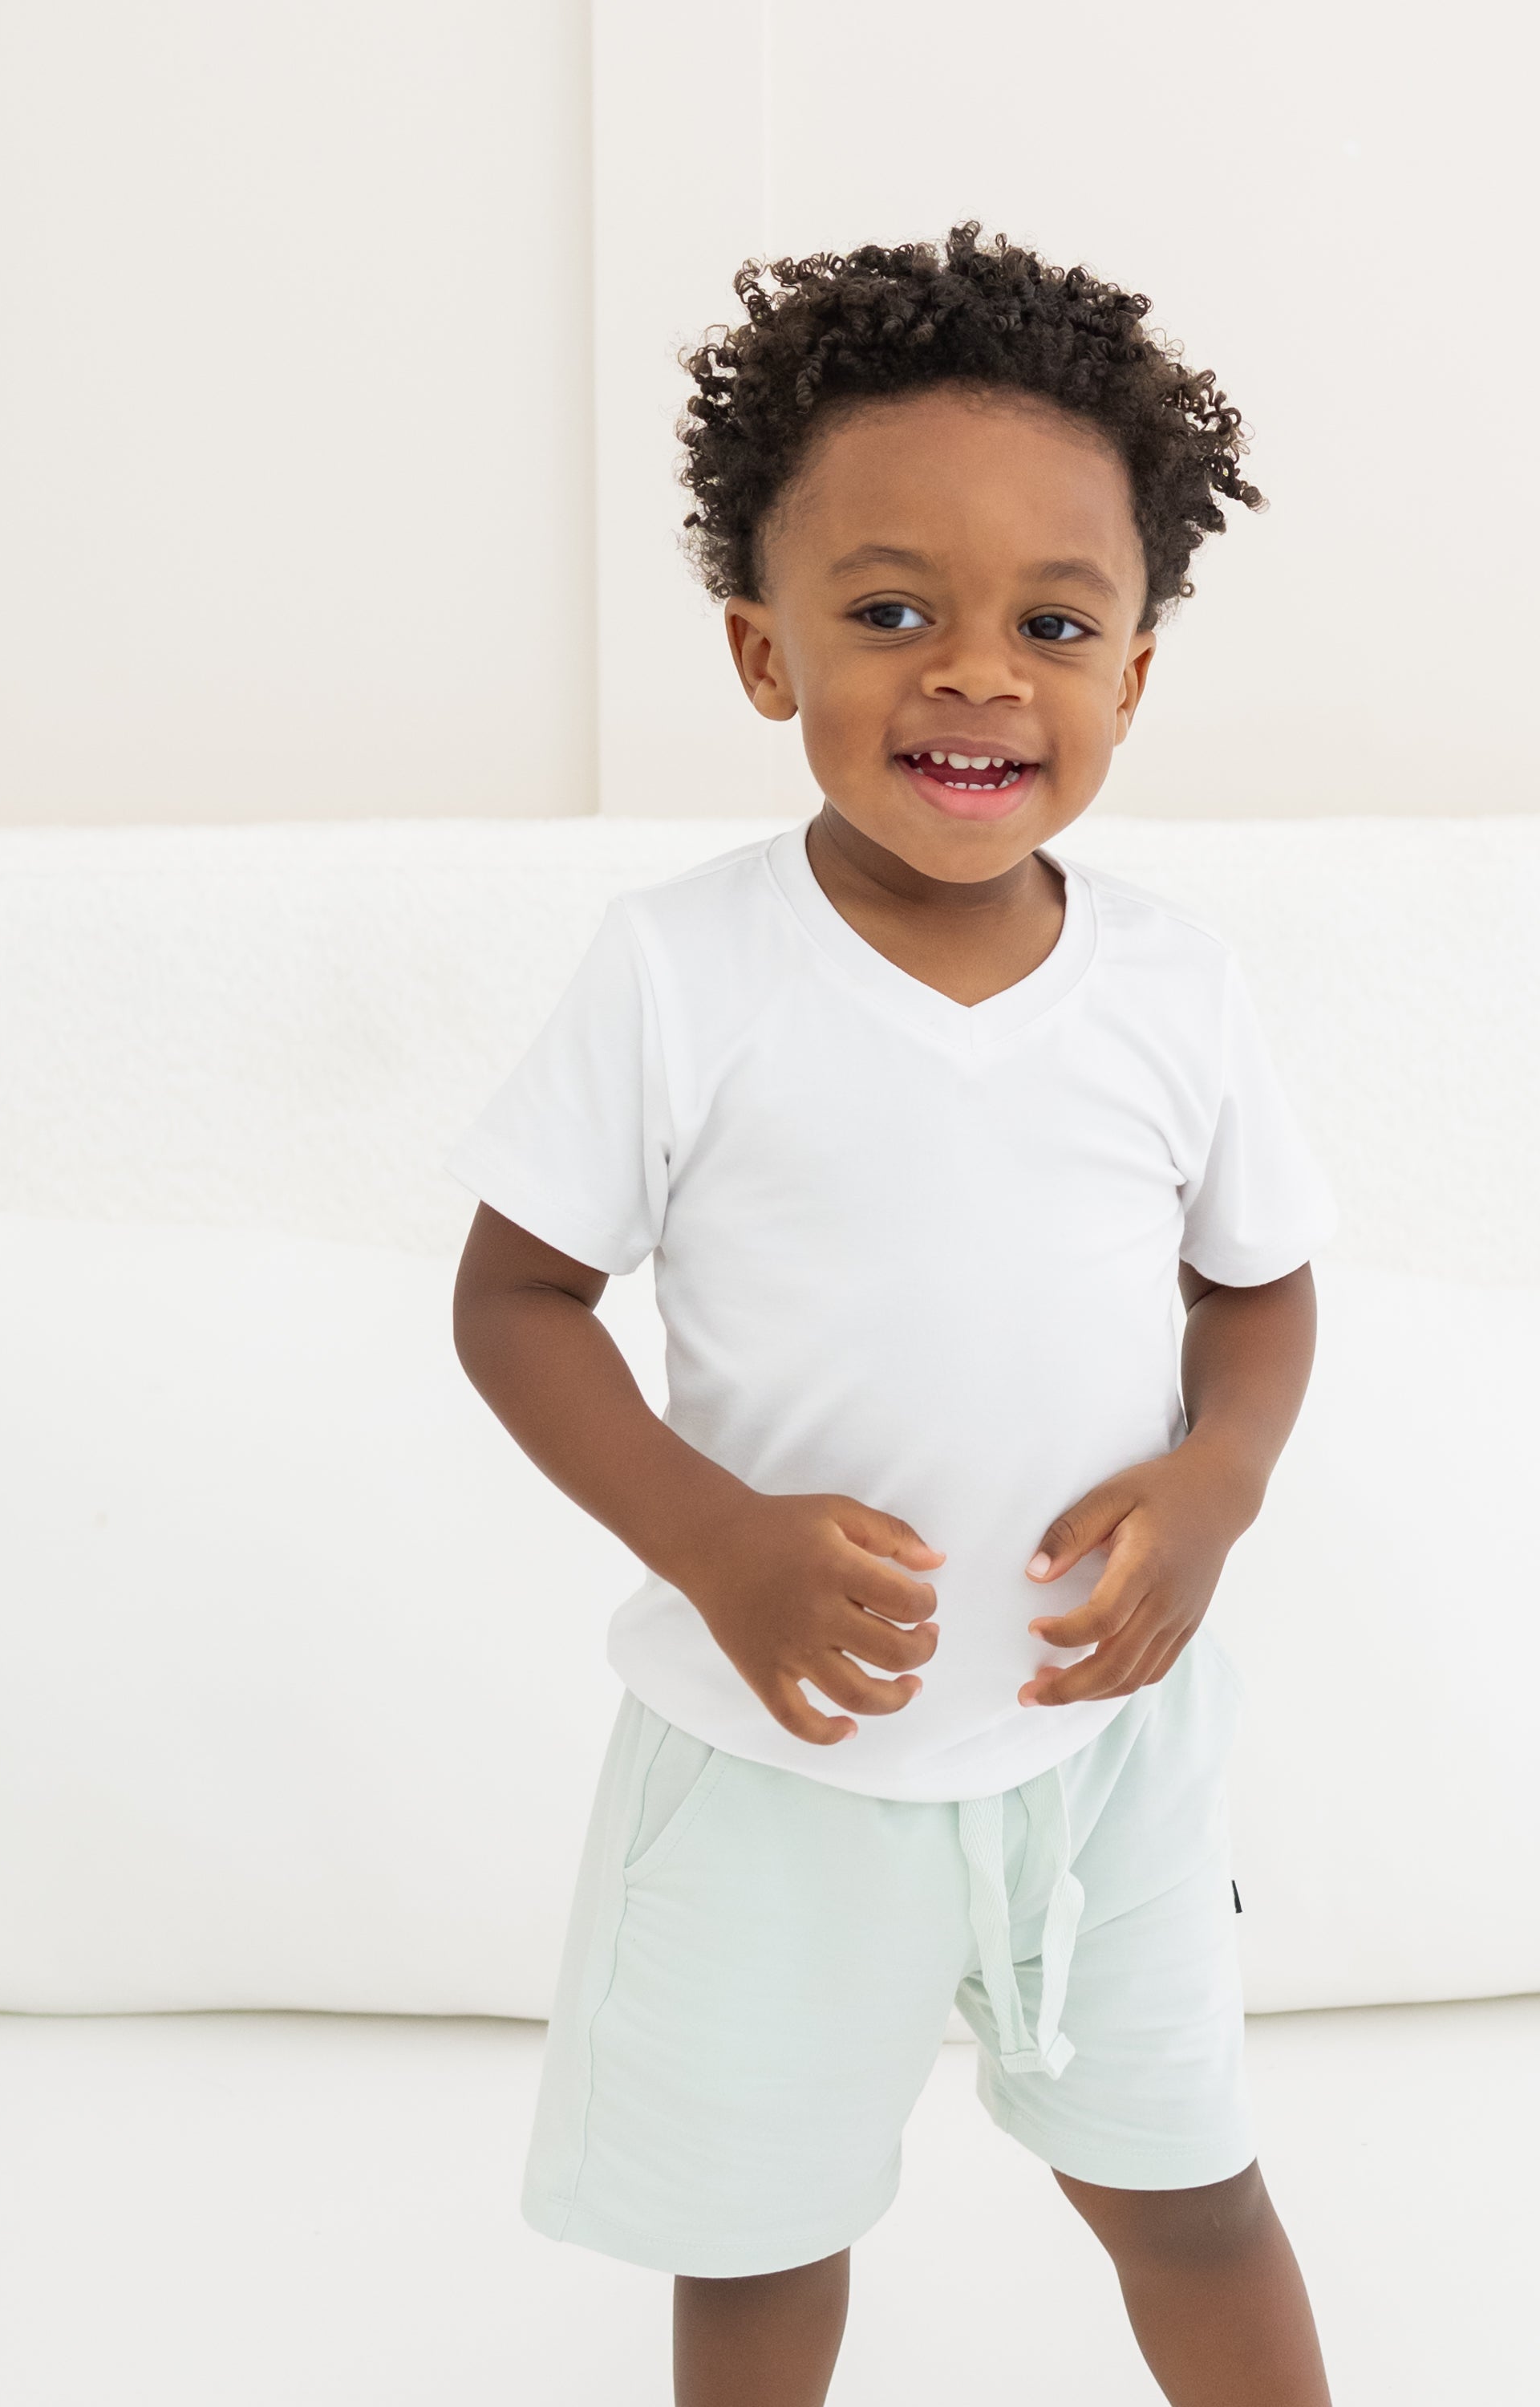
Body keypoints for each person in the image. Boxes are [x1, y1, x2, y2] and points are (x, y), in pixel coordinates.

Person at [448, 221, 1337, 2407]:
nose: (975, 675)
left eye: (1054, 623)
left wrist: (1219, 1486)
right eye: (890, 613)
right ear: (764, 653)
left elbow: (1262, 1289)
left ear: (1136, 675)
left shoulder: (1173, 988)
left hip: (1100, 1743)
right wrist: (715, 1540)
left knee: (1189, 2196)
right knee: (761, 2249)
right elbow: (518, 1300)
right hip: (785, 1752)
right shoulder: (682, 973)